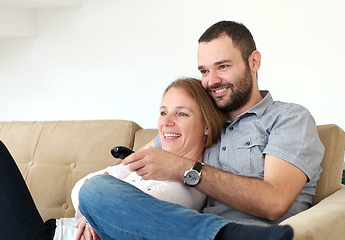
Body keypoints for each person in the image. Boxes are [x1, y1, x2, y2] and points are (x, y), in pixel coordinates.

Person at [76, 21, 324, 239]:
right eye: (204, 71)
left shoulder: (289, 118)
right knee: (96, 190)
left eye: (223, 67)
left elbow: (274, 202)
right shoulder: (198, 123)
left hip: (257, 230)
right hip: (170, 233)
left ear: (254, 61)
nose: (211, 81)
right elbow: (124, 170)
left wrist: (184, 169)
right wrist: (97, 214)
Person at [0, 77, 225, 239]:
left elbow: (108, 205)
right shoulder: (152, 160)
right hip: (50, 229)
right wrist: (93, 208)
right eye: (163, 112)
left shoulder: (185, 190)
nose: (167, 121)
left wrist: (97, 205)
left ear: (207, 126)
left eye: (182, 114)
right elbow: (85, 187)